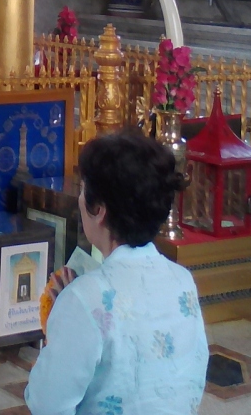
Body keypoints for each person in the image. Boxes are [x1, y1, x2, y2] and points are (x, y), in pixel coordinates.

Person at [25, 129, 208, 415]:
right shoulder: (183, 281)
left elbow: (46, 403)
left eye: (83, 189)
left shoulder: (83, 298)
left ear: (99, 209)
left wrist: (57, 326)